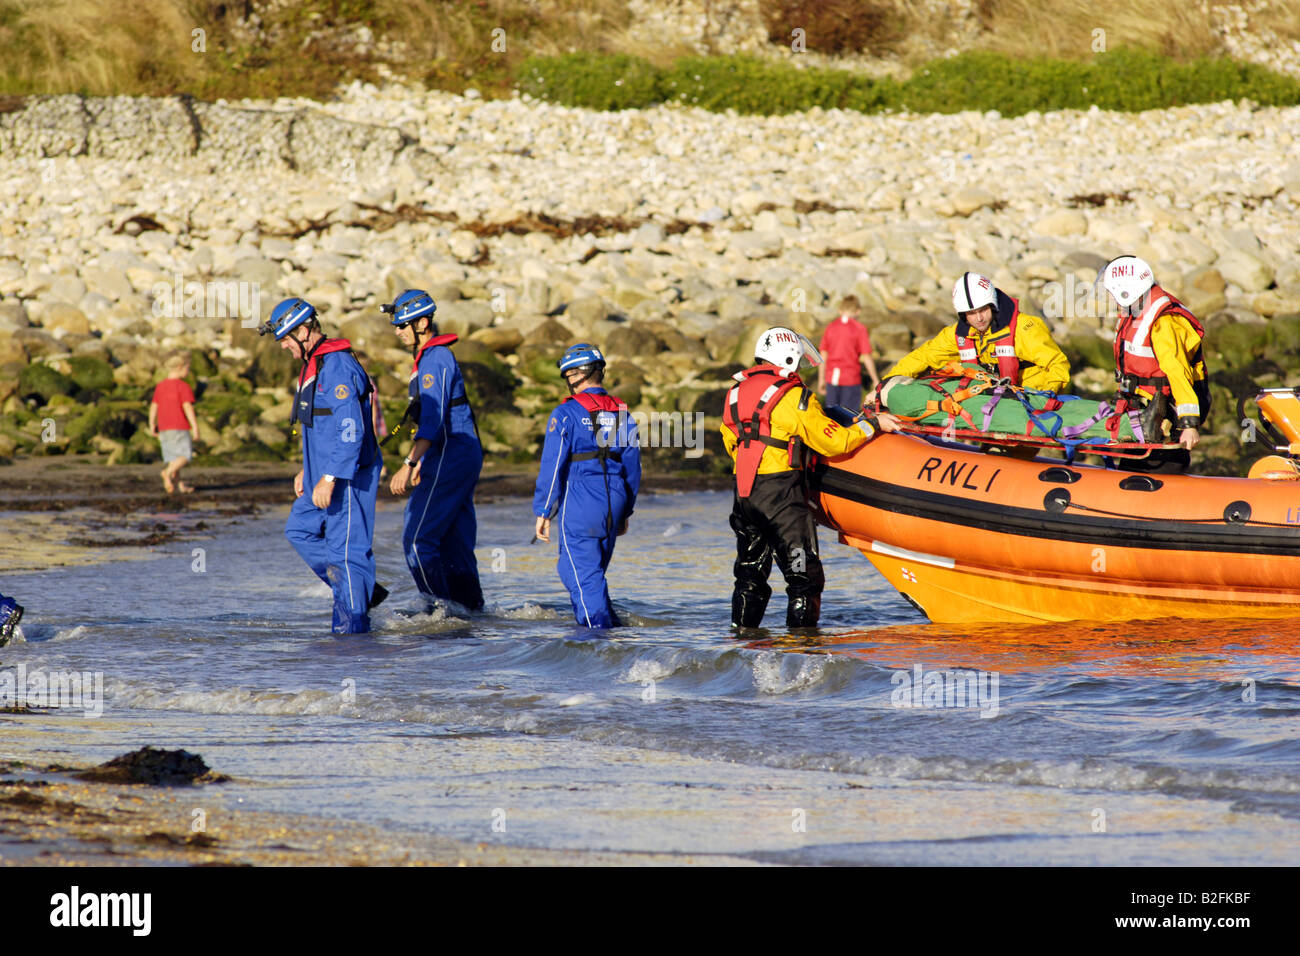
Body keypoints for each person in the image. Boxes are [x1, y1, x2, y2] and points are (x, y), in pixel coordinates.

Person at [722, 326, 901, 629]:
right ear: (788, 358)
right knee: (804, 577)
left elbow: (731, 442)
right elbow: (833, 441)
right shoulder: (793, 397)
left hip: (744, 496)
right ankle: (802, 649)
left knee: (750, 574)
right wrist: (873, 424)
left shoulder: (735, 392)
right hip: (781, 498)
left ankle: (741, 644)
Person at [259, 296, 385, 634]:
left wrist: (329, 478)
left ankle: (351, 633)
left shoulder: (338, 366)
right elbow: (318, 426)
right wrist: (307, 468)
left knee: (345, 553)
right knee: (299, 530)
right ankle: (362, 591)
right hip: (320, 472)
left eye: (286, 339)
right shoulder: (313, 365)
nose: (284, 346)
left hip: (346, 475)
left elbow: (350, 430)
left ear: (304, 330)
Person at [385, 289, 484, 612]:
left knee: (417, 540)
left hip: (452, 453)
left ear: (423, 323)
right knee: (454, 543)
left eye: (403, 325)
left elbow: (434, 417)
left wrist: (409, 462)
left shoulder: (435, 357)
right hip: (453, 454)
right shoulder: (431, 357)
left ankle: (439, 611)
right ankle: (470, 612)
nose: (398, 332)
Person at [533, 343, 641, 629]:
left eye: (567, 374)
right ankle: (612, 630)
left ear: (577, 375)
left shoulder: (565, 413)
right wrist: (625, 512)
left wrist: (543, 510)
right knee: (589, 574)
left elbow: (553, 464)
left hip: (582, 497)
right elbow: (633, 466)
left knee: (580, 574)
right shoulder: (622, 412)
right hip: (615, 497)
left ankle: (597, 645)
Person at [1100, 254, 1210, 472]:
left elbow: (1178, 373)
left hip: (1169, 410)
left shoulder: (1162, 322)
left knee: (1162, 465)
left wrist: (1189, 424)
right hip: (1146, 409)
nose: (1111, 298)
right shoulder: (1137, 311)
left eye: (1112, 293)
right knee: (1132, 465)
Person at [885, 272, 1070, 394]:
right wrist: (885, 385)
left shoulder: (1025, 328)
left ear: (993, 306)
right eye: (971, 313)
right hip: (990, 402)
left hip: (1029, 399)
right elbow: (922, 357)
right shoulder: (957, 335)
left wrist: (1045, 396)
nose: (979, 318)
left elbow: (1057, 365)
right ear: (963, 314)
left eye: (983, 310)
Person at [149, 351, 199, 494]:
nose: (188, 372)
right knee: (185, 456)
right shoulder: (183, 387)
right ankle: (167, 473)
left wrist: (152, 423)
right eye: (187, 368)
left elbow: (154, 406)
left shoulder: (160, 386)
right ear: (180, 367)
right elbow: (187, 407)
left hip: (164, 428)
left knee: (174, 459)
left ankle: (177, 485)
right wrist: (195, 427)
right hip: (179, 427)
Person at [817, 295, 879, 411]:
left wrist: (821, 379)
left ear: (840, 310)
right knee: (849, 417)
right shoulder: (859, 328)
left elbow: (823, 355)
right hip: (851, 378)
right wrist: (875, 379)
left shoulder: (831, 327)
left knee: (832, 417)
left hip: (832, 377)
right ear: (858, 311)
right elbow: (866, 356)